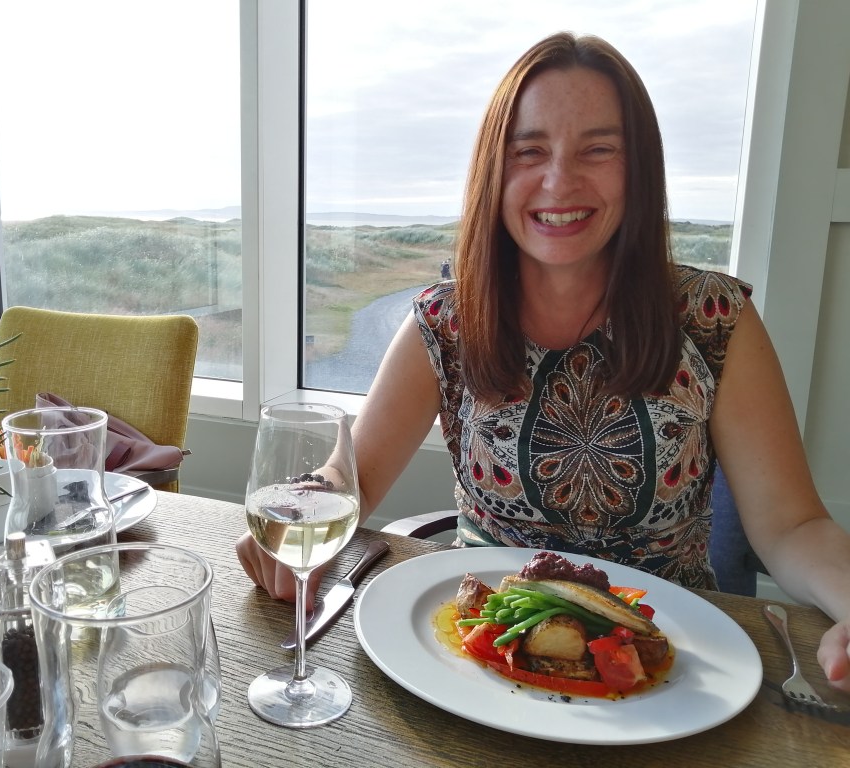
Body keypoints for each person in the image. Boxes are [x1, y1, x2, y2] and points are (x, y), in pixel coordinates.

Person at [235, 32, 850, 692]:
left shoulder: (715, 318)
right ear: (494, 172)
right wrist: (301, 507)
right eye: (529, 151)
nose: (560, 180)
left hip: (669, 672)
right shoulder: (445, 322)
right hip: (480, 657)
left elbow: (794, 526)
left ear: (638, 169)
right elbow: (350, 477)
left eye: (599, 149)